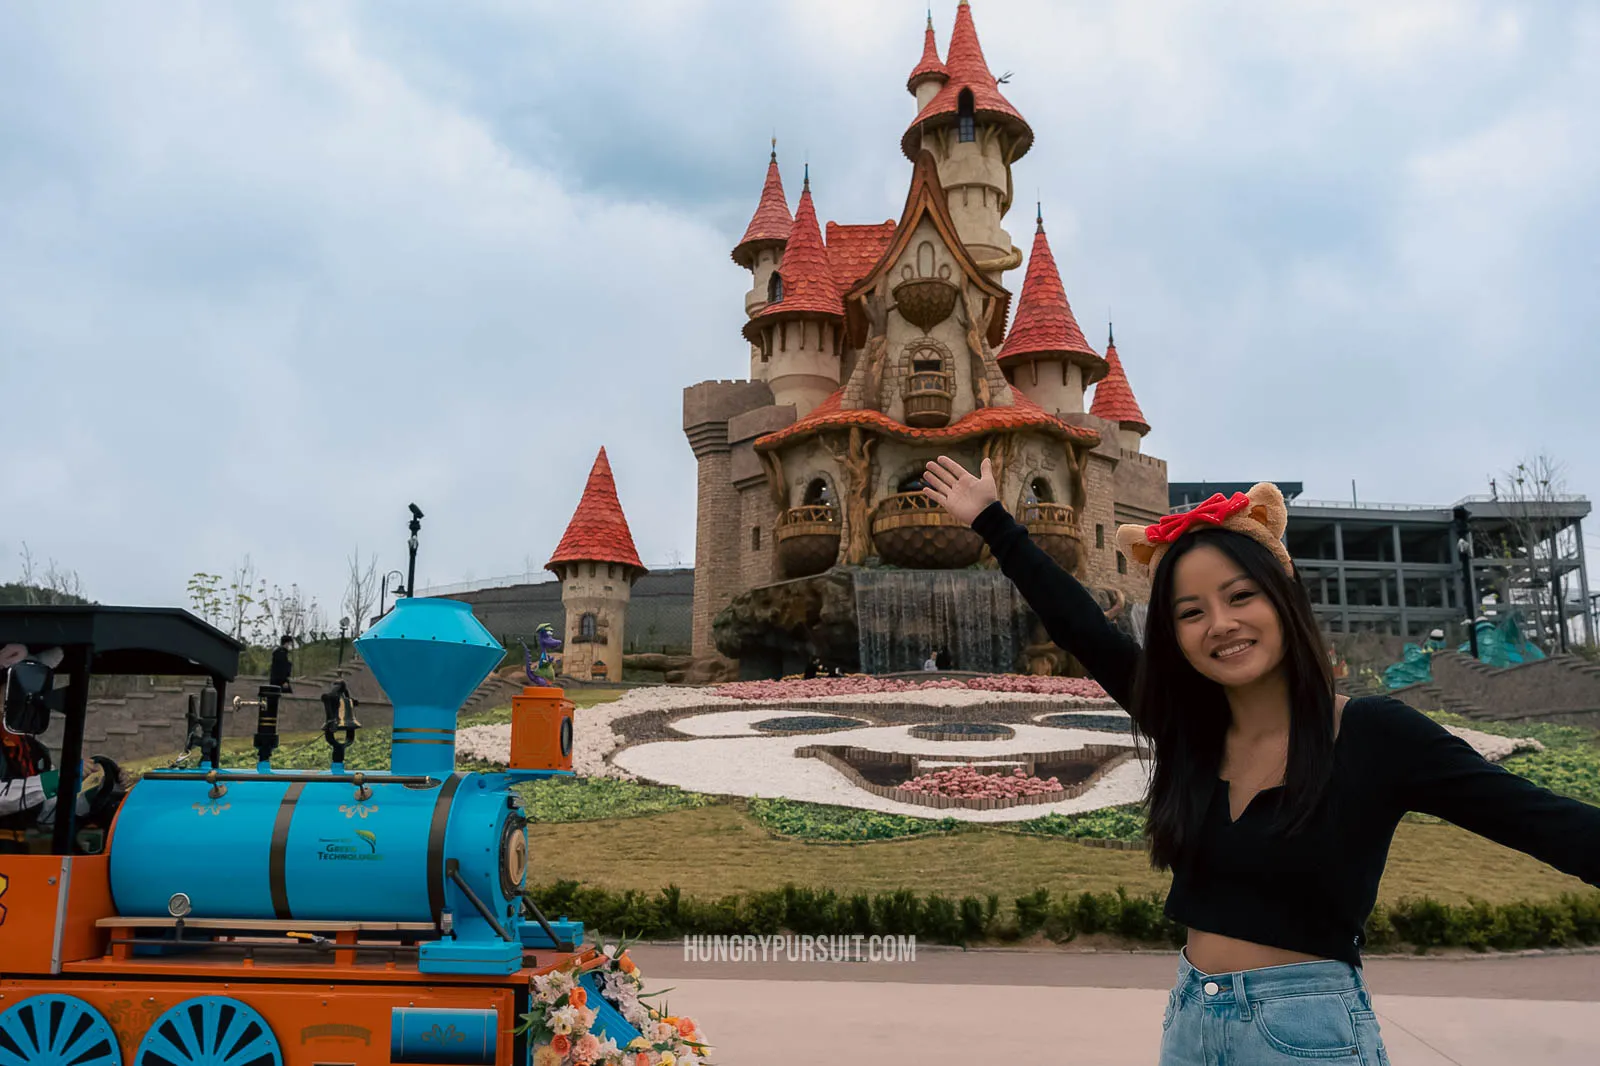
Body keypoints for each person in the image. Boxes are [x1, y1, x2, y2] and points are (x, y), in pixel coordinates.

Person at [921, 456, 1600, 1065]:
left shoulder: (1375, 736)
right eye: (1190, 611)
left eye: (1240, 596)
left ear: (1282, 598)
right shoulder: (1187, 730)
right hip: (1190, 1022)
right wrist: (992, 521)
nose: (1220, 623)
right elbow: (1082, 628)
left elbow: (1548, 824)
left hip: (1308, 1036)